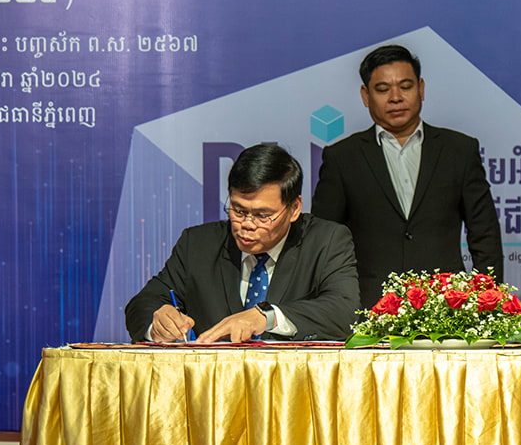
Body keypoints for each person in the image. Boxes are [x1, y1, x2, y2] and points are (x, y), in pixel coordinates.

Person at [311, 44, 503, 307]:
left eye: (406, 86)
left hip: (446, 305)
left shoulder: (459, 150)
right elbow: (324, 240)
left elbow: (484, 234)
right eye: (382, 89)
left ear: (421, 88)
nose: (396, 97)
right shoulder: (342, 157)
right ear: (365, 96)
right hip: (368, 307)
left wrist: (484, 301)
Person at [125, 144, 360, 343]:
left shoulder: (326, 241)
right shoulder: (198, 244)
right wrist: (158, 320)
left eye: (262, 215)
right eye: (238, 210)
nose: (246, 224)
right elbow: (143, 303)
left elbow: (343, 311)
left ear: (294, 208)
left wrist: (266, 316)